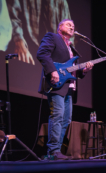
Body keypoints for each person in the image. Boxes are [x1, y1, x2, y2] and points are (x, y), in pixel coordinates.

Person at [37, 19, 93, 160]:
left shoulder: (72, 47)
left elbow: (74, 71)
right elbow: (42, 53)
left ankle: (58, 151)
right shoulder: (53, 37)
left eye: (73, 26)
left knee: (66, 120)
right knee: (57, 116)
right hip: (56, 85)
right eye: (68, 24)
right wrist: (52, 71)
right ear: (59, 27)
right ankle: (53, 151)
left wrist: (84, 70)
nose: (72, 27)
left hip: (69, 88)